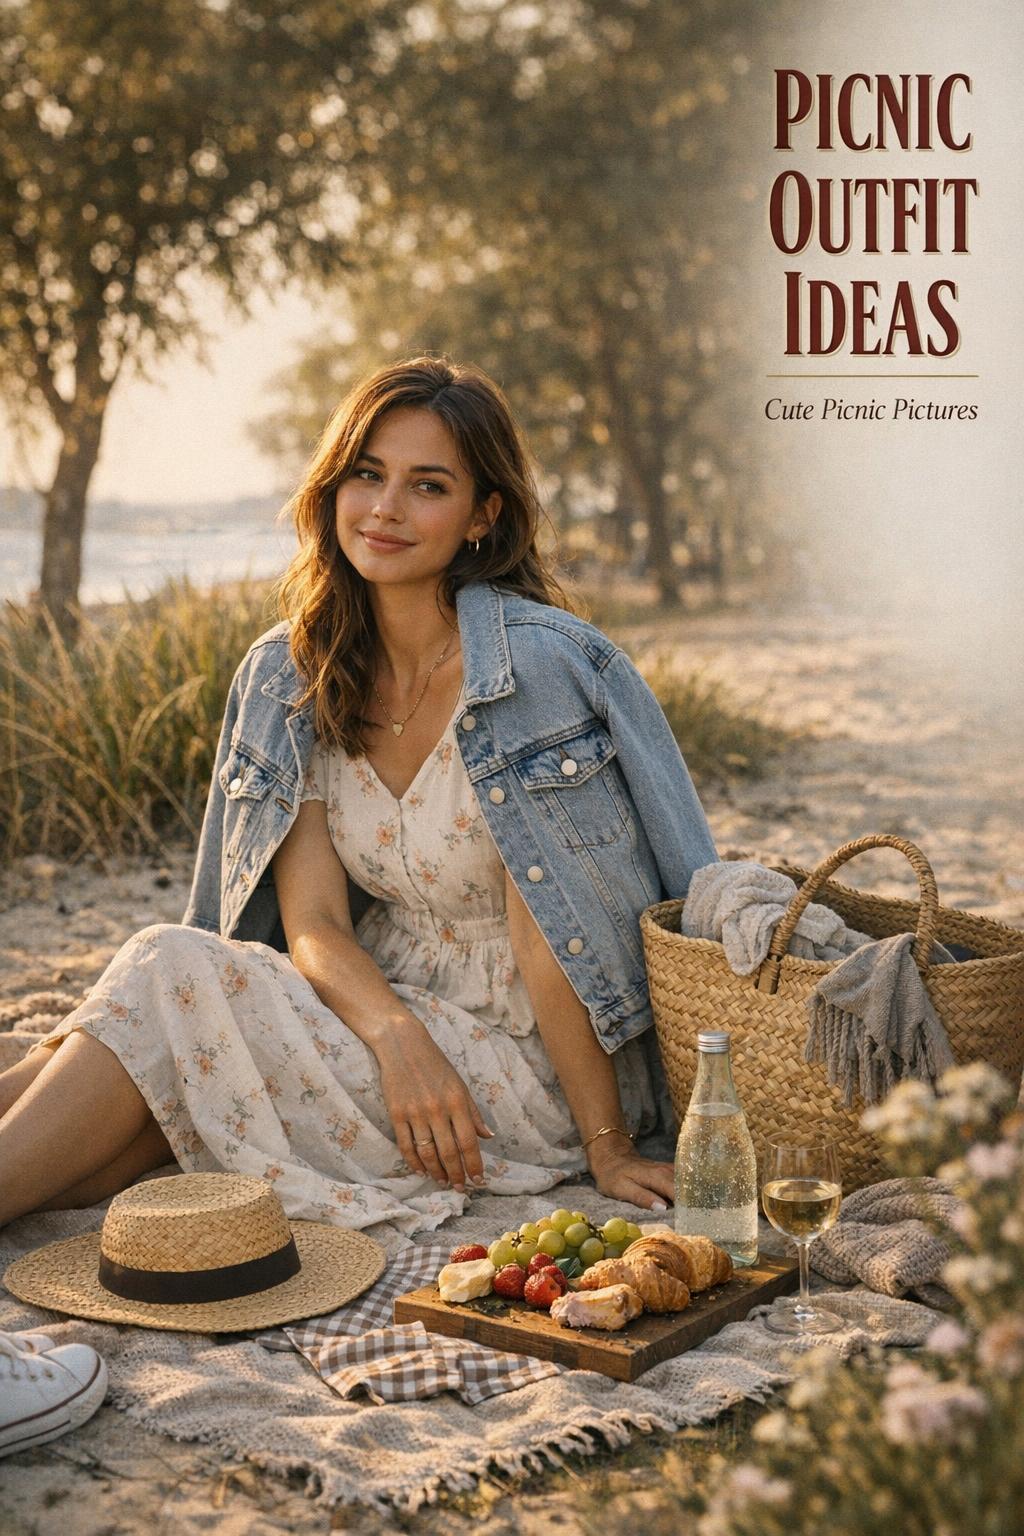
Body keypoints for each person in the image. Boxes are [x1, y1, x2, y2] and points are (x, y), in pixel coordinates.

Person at [0, 355, 718, 1234]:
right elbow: (313, 925)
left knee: (162, 975)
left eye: (428, 486)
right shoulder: (293, 670)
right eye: (367, 475)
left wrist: (609, 1144)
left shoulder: (542, 670)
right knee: (136, 1108)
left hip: (530, 1063)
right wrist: (393, 1033)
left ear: (483, 516)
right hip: (376, 1006)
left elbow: (553, 936)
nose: (384, 509)